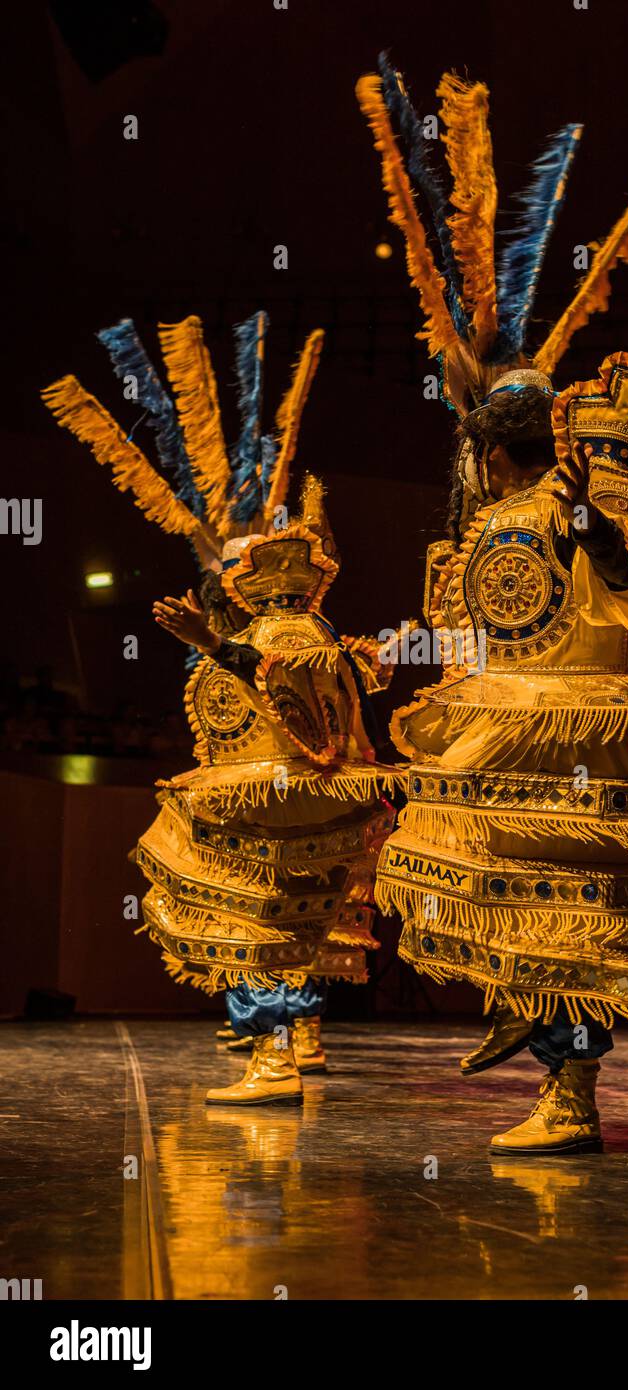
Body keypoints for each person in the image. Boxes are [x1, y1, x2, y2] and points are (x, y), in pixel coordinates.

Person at [359, 58, 628, 1154]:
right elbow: (482, 623)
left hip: (573, 733)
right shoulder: (495, 525)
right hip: (513, 727)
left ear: (489, 450)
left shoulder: (594, 501)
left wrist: (582, 521)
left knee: (568, 914)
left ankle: (567, 1090)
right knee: (528, 907)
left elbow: (627, 591)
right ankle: (548, 1058)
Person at [43, 311, 397, 1104]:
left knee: (258, 925)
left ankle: (274, 1054)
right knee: (286, 925)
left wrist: (213, 639)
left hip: (281, 801)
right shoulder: (317, 633)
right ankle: (287, 1042)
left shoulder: (296, 639)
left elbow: (281, 688)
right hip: (290, 798)